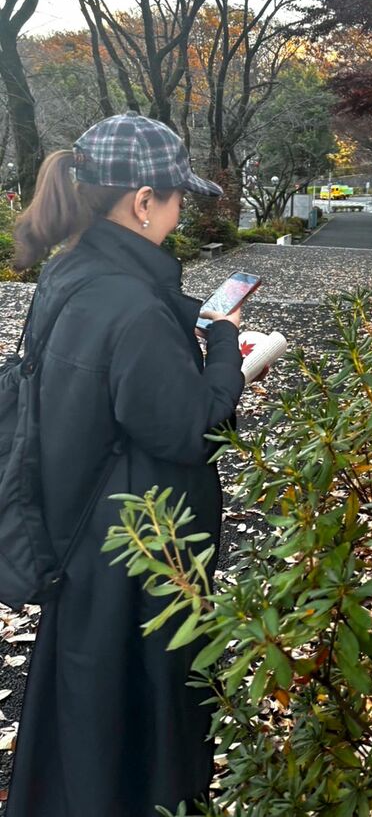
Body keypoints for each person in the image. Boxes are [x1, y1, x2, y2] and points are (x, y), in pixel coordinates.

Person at [5, 112, 246, 817]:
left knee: (81, 722)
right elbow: (191, 429)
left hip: (78, 543)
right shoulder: (130, 305)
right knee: (139, 732)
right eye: (176, 198)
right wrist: (227, 349)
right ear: (144, 200)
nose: (179, 212)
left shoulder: (71, 274)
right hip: (134, 566)